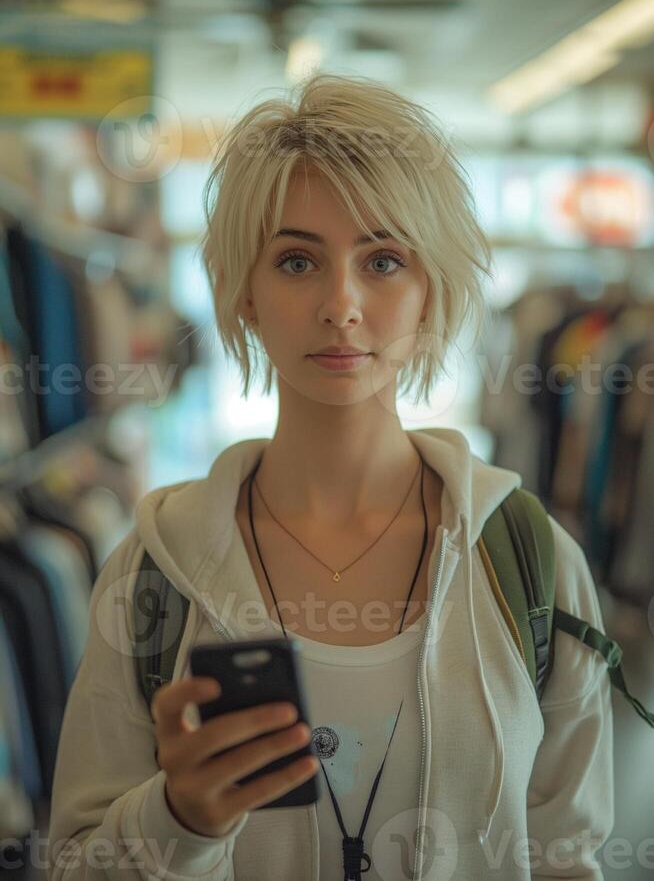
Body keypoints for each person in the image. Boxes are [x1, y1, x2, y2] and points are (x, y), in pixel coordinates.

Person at [47, 73, 614, 881]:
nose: (341, 305)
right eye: (297, 260)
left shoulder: (531, 561)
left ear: (431, 294)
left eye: (383, 260)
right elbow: (73, 866)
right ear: (245, 294)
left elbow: (568, 858)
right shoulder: (151, 575)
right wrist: (178, 822)